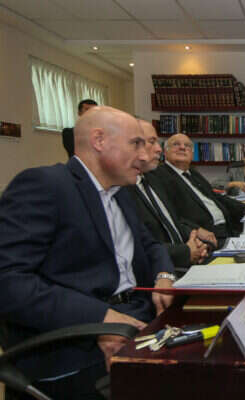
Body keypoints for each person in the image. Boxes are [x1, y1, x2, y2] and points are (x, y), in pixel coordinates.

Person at [0, 106, 175, 399]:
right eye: (135, 144)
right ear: (99, 140)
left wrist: (164, 275)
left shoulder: (122, 192)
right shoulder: (45, 185)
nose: (145, 156)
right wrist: (101, 318)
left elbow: (150, 245)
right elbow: (8, 281)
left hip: (136, 318)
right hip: (72, 344)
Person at [151, 134, 245, 246]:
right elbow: (167, 214)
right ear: (165, 152)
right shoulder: (159, 175)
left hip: (228, 228)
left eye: (187, 145)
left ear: (192, 154)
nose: (182, 147)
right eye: (176, 144)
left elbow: (216, 197)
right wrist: (195, 230)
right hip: (204, 237)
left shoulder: (193, 174)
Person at [127, 120, 212, 274]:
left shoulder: (152, 179)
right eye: (152, 142)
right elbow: (137, 245)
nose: (159, 149)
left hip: (185, 259)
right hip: (161, 272)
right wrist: (186, 251)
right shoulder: (122, 188)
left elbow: (172, 221)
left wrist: (196, 244)